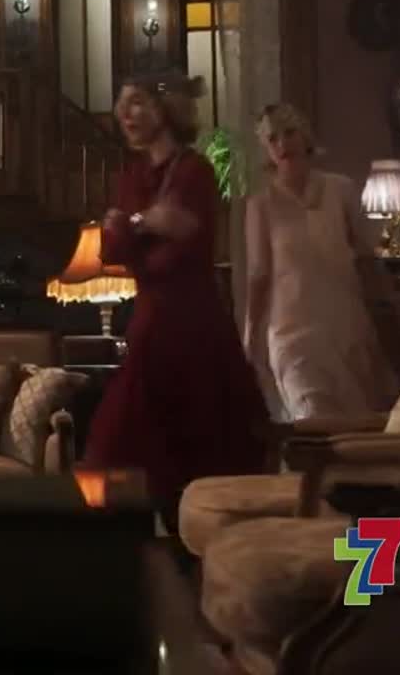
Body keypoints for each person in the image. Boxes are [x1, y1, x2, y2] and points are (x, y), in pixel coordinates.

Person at [83, 72, 268, 534]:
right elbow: (115, 250)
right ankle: (142, 550)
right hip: (151, 320)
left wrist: (130, 225)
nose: (124, 113)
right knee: (117, 445)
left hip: (193, 324)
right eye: (121, 104)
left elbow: (176, 245)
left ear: (164, 109)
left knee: (204, 445)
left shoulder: (193, 170)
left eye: (136, 102)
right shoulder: (134, 176)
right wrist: (142, 224)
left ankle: (205, 547)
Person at [243, 104, 400, 422]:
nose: (283, 143)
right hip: (292, 334)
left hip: (345, 328)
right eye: (273, 138)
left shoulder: (340, 189)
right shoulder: (261, 206)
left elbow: (366, 258)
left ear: (305, 136)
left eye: (289, 133)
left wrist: (398, 309)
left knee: (355, 424)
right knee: (313, 418)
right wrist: (250, 338)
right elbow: (258, 275)